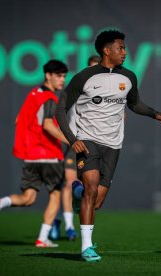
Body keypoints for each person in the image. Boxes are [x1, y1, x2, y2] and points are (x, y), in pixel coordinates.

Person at [56, 30, 161, 262]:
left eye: (125, 48)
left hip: (113, 144)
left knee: (96, 201)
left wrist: (155, 114)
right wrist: (73, 139)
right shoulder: (84, 77)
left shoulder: (128, 77)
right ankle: (86, 247)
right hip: (87, 140)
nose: (125, 52)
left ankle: (77, 194)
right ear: (106, 50)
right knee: (91, 187)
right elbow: (60, 109)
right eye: (120, 48)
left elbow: (135, 104)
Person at [0, 60, 69, 248]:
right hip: (49, 154)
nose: (63, 80)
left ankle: (0, 202)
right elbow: (47, 125)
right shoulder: (50, 98)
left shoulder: (33, 94)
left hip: (31, 156)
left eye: (64, 76)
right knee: (55, 196)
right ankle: (42, 238)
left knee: (28, 198)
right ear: (48, 76)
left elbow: (18, 120)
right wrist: (70, 140)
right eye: (59, 76)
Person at [49, 55, 102, 241]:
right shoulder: (79, 85)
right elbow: (60, 110)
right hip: (76, 141)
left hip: (98, 143)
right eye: (93, 67)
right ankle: (69, 226)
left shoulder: (108, 89)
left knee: (88, 188)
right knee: (70, 182)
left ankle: (56, 221)